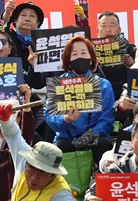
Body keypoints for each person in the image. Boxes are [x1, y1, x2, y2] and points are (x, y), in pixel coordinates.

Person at [44, 36, 116, 164]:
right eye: (74, 54)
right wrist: (66, 119)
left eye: (83, 53)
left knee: (103, 145)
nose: (79, 57)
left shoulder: (103, 85)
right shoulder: (59, 85)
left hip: (96, 138)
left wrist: (90, 136)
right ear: (68, 61)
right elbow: (50, 117)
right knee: (60, 148)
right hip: (66, 139)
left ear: (91, 59)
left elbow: (107, 119)